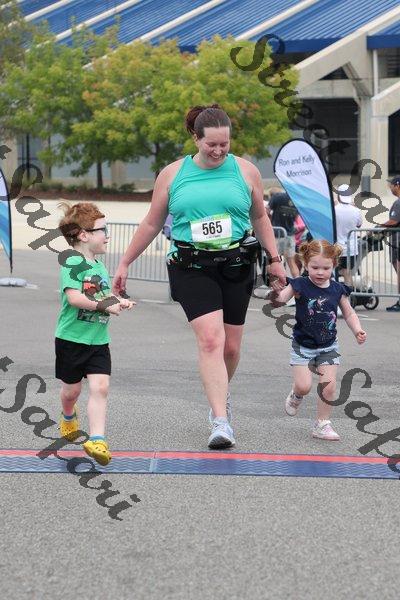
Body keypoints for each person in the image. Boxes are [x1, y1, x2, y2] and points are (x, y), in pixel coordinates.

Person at [112, 104, 286, 449]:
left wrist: (275, 260)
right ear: (196, 138)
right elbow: (151, 222)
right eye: (211, 145)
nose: (219, 151)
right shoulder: (172, 174)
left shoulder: (246, 171)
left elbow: (260, 218)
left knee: (231, 347)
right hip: (190, 266)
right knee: (210, 340)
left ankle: (221, 392)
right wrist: (125, 262)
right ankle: (220, 421)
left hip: (236, 264)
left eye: (225, 144)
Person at [55, 202, 134, 466]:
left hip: (98, 341)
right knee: (71, 392)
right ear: (83, 235)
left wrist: (118, 301)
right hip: (71, 340)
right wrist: (104, 306)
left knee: (101, 387)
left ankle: (97, 439)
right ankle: (68, 416)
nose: (107, 236)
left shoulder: (99, 266)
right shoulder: (72, 263)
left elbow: (102, 295)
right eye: (103, 230)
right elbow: (75, 298)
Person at [268, 240, 366, 441]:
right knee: (304, 386)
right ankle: (296, 395)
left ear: (334, 265)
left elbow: (349, 313)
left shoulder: (337, 289)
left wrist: (357, 330)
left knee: (328, 386)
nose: (320, 272)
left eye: (326, 268)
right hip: (303, 346)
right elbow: (279, 301)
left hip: (328, 346)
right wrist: (275, 293)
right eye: (315, 267)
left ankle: (322, 424)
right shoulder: (299, 284)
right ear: (305, 264)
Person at [267, 188, 300, 278]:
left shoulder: (277, 197)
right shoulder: (297, 200)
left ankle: (277, 284)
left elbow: (266, 212)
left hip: (277, 234)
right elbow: (296, 217)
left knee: (275, 262)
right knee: (291, 263)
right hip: (290, 235)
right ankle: (297, 283)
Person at [334, 183, 362, 286]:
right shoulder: (356, 210)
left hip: (337, 247)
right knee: (347, 272)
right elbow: (359, 224)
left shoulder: (334, 210)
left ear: (338, 195)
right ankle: (348, 293)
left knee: (336, 271)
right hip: (351, 248)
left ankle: (338, 292)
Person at [380, 176, 400, 312]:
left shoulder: (398, 203)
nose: (390, 188)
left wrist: (378, 227)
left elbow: (394, 221)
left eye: (391, 185)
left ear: (397, 185)